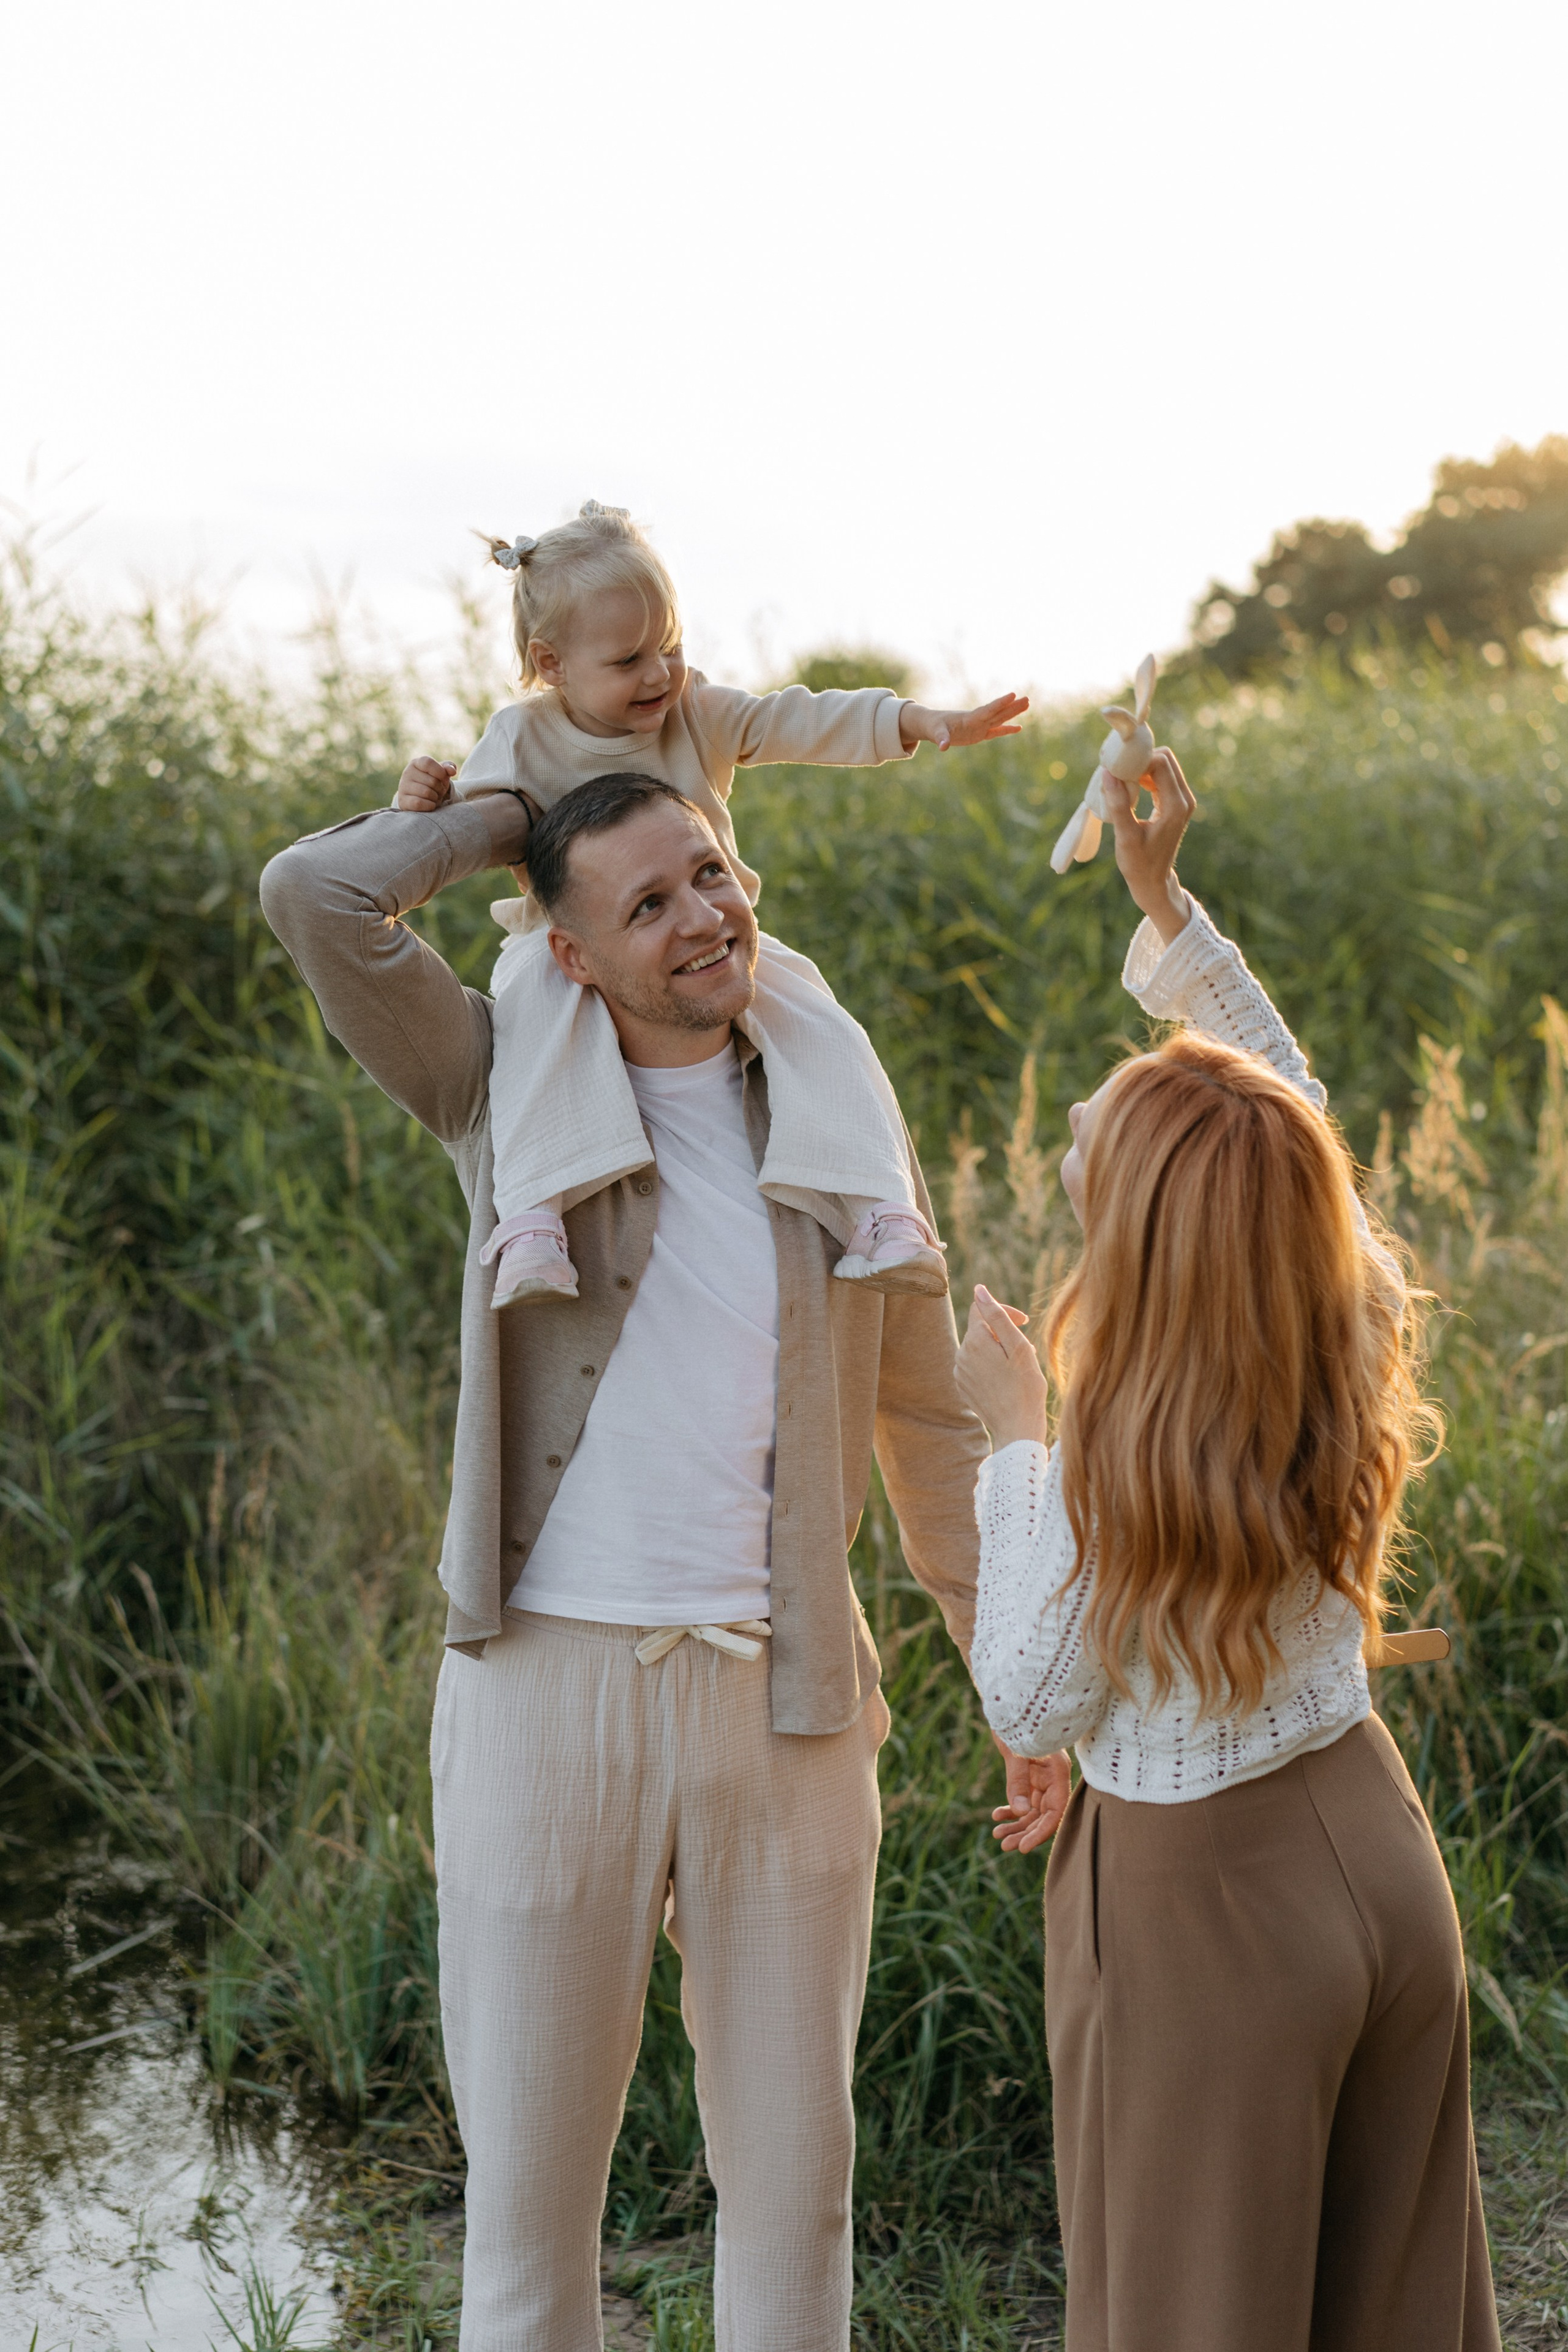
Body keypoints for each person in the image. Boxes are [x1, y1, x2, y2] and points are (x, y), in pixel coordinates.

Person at [258, 772, 1004, 2352]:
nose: (704, 920)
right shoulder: (499, 1085)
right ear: (569, 950)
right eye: (646, 903)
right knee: (531, 2220)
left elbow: (930, 1422)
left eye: (712, 875)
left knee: (796, 2200)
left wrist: (1012, 1681)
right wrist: (489, 821)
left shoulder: (831, 1111)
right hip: (549, 1699)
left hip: (784, 1709)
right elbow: (310, 901)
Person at [956, 752, 1501, 2351]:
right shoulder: (1342, 1318)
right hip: (1378, 1858)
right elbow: (1291, 1115)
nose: (1077, 1137)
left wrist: (1010, 1438)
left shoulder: (1104, 1455)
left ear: (1147, 1242)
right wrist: (1161, 905)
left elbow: (1034, 1690)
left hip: (1207, 1913)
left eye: (1096, 1151)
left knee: (1191, 2318)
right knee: (1394, 2315)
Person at [393, 499, 1028, 1306]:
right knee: (528, 1029)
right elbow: (459, 823)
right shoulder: (521, 736)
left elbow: (797, 718)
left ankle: (883, 1211)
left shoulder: (695, 711)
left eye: (671, 647)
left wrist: (914, 720)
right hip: (564, 940)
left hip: (717, 933)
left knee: (824, 1026)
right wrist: (420, 800)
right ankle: (531, 1222)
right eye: (628, 661)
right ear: (552, 664)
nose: (659, 674)